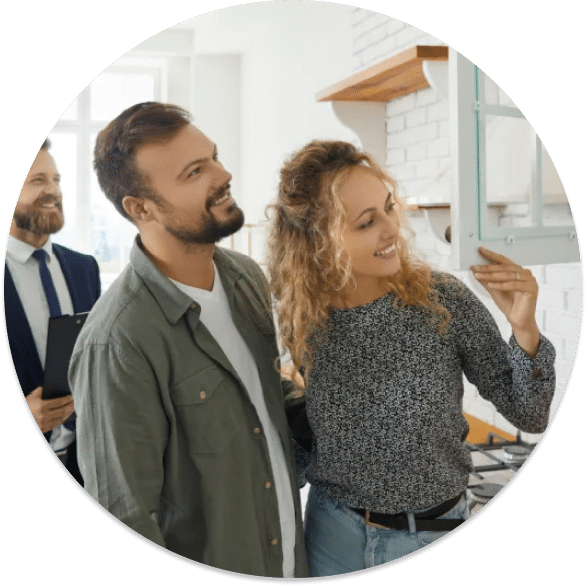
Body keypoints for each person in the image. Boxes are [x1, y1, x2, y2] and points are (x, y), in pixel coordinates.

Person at [267, 139, 556, 576]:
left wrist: (525, 329)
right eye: (366, 223)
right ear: (316, 244)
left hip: (435, 532)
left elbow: (531, 415)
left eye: (388, 207)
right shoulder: (302, 317)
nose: (391, 229)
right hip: (334, 536)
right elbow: (314, 431)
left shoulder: (443, 301)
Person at [68, 102, 308, 578]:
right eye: (196, 171)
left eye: (214, 157)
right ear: (141, 208)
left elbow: (260, 398)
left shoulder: (244, 277)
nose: (223, 174)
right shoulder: (117, 342)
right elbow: (125, 517)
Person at [5, 139, 101, 484]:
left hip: (85, 465)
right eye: (37, 181)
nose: (53, 191)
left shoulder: (84, 268)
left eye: (56, 180)